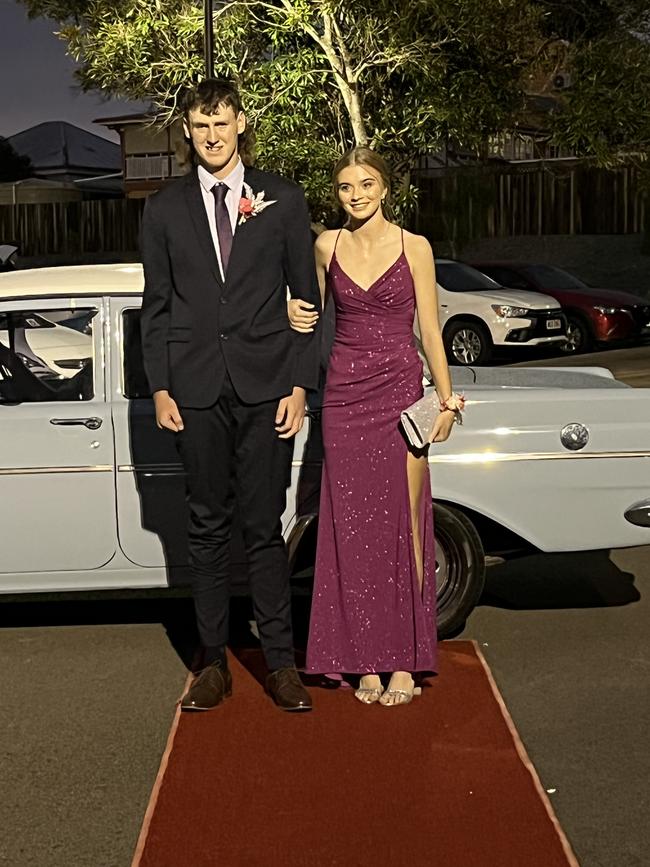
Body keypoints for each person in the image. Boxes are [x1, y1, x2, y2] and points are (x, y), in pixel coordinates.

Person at [140, 79, 321, 712]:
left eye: (220, 123)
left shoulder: (285, 199)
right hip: (192, 391)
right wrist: (161, 387)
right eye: (199, 125)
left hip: (266, 387)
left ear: (241, 123)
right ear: (187, 132)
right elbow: (155, 307)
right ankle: (213, 661)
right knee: (206, 527)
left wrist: (299, 383)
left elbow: (307, 302)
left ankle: (280, 664)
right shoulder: (162, 209)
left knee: (263, 527)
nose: (211, 136)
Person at [289, 147, 462, 706]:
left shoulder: (416, 247)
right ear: (336, 194)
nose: (356, 194)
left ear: (385, 188)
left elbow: (431, 331)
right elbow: (308, 318)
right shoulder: (327, 246)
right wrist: (292, 311)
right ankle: (364, 658)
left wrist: (447, 399)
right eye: (345, 187)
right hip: (342, 397)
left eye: (366, 183)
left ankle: (406, 660)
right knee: (352, 529)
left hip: (398, 391)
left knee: (404, 525)